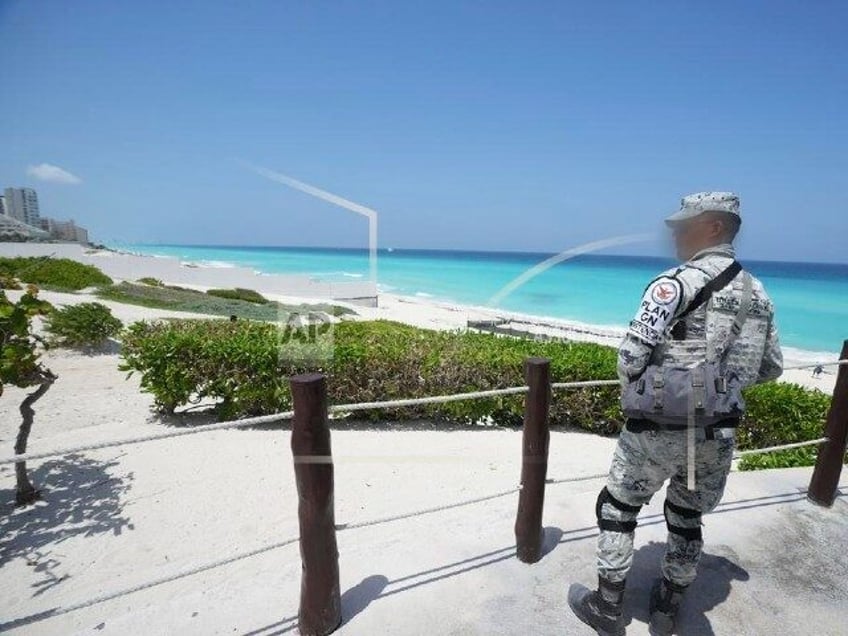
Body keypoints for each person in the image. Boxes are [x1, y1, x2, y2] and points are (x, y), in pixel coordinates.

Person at [568, 192, 783, 636]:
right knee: (686, 518)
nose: (673, 234)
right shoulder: (759, 294)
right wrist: (721, 388)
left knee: (617, 508)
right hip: (717, 434)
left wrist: (654, 393)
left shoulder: (673, 284)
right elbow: (771, 367)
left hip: (659, 428)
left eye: (683, 225)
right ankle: (668, 607)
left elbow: (629, 357)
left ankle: (608, 608)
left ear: (715, 227)